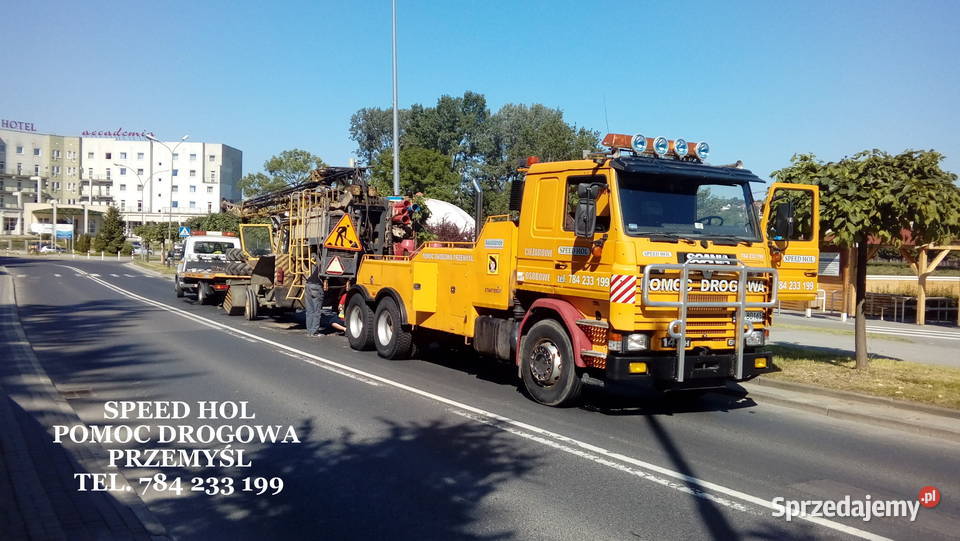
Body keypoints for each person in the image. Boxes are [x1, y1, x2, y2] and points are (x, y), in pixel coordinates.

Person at [305, 261, 325, 336]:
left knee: (309, 310)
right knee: (317, 311)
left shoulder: (320, 264)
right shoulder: (329, 265)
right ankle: (314, 332)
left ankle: (309, 331)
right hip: (316, 286)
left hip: (308, 284)